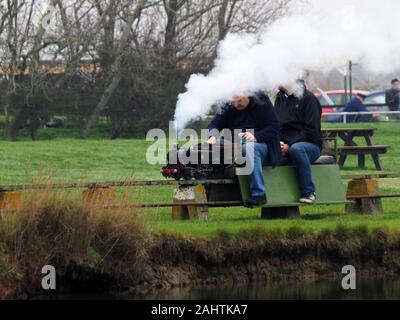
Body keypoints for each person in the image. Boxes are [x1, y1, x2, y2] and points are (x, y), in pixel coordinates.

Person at [208, 93, 281, 207]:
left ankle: (259, 194)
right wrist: (212, 136)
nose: (236, 105)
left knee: (248, 148)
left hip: (262, 145)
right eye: (233, 102)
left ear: (247, 93)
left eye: (239, 101)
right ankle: (211, 188)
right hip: (235, 143)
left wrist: (256, 136)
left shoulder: (262, 100)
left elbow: (274, 127)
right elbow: (214, 124)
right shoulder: (228, 103)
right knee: (211, 146)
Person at [275, 82, 323, 204]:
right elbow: (276, 125)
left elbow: (311, 130)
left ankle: (309, 192)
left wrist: (289, 145)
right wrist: (278, 143)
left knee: (296, 149)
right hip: (285, 145)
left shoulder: (309, 99)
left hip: (309, 145)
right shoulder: (280, 98)